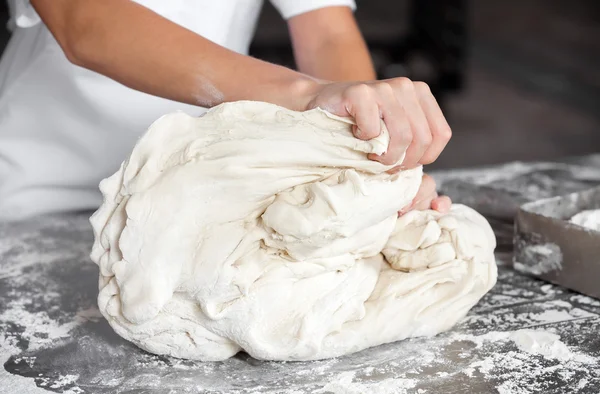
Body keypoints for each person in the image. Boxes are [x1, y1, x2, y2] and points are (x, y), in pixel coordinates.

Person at [0, 0, 451, 220]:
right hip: (33, 198)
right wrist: (307, 95)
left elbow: (326, 30)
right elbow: (85, 23)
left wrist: (371, 158)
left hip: (191, 189)